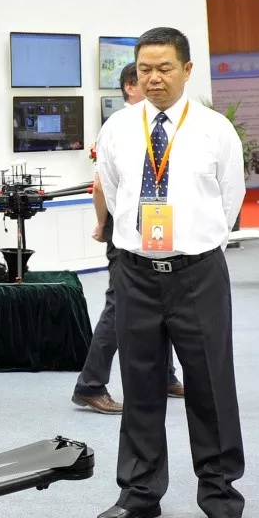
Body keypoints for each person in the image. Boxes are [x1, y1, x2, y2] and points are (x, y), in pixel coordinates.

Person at [95, 27, 247, 518]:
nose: (153, 78)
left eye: (164, 68)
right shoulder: (118, 127)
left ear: (186, 70)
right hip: (136, 272)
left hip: (197, 273)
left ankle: (221, 498)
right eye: (145, 70)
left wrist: (192, 246)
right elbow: (114, 191)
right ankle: (139, 491)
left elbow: (230, 198)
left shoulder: (214, 129)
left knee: (210, 386)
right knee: (140, 383)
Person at [73, 62, 184, 415]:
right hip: (126, 231)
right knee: (119, 305)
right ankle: (90, 384)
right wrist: (102, 222)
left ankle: (166, 375)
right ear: (129, 87)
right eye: (144, 79)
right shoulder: (119, 126)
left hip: (158, 225)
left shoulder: (159, 122)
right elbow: (101, 186)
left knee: (163, 300)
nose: (154, 85)